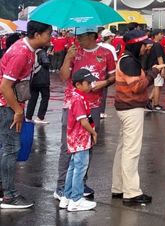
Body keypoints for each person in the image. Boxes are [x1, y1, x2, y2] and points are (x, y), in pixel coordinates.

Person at [0, 21, 52, 209]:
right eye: (48, 34)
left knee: (7, 147)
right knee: (11, 148)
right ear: (37, 35)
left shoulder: (28, 50)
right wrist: (18, 110)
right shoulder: (21, 52)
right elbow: (5, 86)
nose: (50, 38)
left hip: (9, 103)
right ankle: (9, 196)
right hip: (4, 104)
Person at [54, 27, 116, 201]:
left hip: (94, 105)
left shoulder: (106, 53)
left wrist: (103, 83)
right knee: (68, 145)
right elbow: (63, 76)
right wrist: (67, 58)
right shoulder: (74, 52)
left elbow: (113, 76)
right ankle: (61, 186)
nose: (78, 39)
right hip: (72, 104)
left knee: (87, 144)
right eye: (77, 36)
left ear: (92, 36)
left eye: (81, 36)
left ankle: (80, 182)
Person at [111, 30, 158, 204]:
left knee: (123, 149)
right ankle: (131, 192)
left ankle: (119, 187)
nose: (147, 48)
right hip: (131, 109)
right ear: (137, 45)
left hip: (125, 108)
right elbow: (137, 87)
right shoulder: (130, 61)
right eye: (145, 45)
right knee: (131, 150)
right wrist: (153, 73)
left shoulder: (127, 59)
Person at [59, 68, 99, 212]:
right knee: (80, 168)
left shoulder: (77, 97)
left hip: (75, 138)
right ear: (78, 84)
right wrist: (93, 133)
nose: (90, 85)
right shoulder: (78, 99)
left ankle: (67, 197)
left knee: (73, 167)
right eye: (87, 83)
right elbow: (83, 121)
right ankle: (76, 199)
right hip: (80, 139)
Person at [25, 46, 51, 124]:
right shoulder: (42, 52)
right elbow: (46, 63)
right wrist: (48, 57)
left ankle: (28, 117)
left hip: (33, 78)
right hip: (42, 79)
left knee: (32, 98)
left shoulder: (32, 52)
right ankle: (40, 117)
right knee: (45, 97)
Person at [148, 30, 165, 111]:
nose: (162, 36)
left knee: (157, 85)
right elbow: (159, 57)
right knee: (158, 86)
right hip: (158, 67)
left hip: (154, 67)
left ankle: (149, 100)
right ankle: (156, 104)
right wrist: (162, 69)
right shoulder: (157, 45)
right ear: (156, 35)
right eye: (160, 34)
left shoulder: (153, 44)